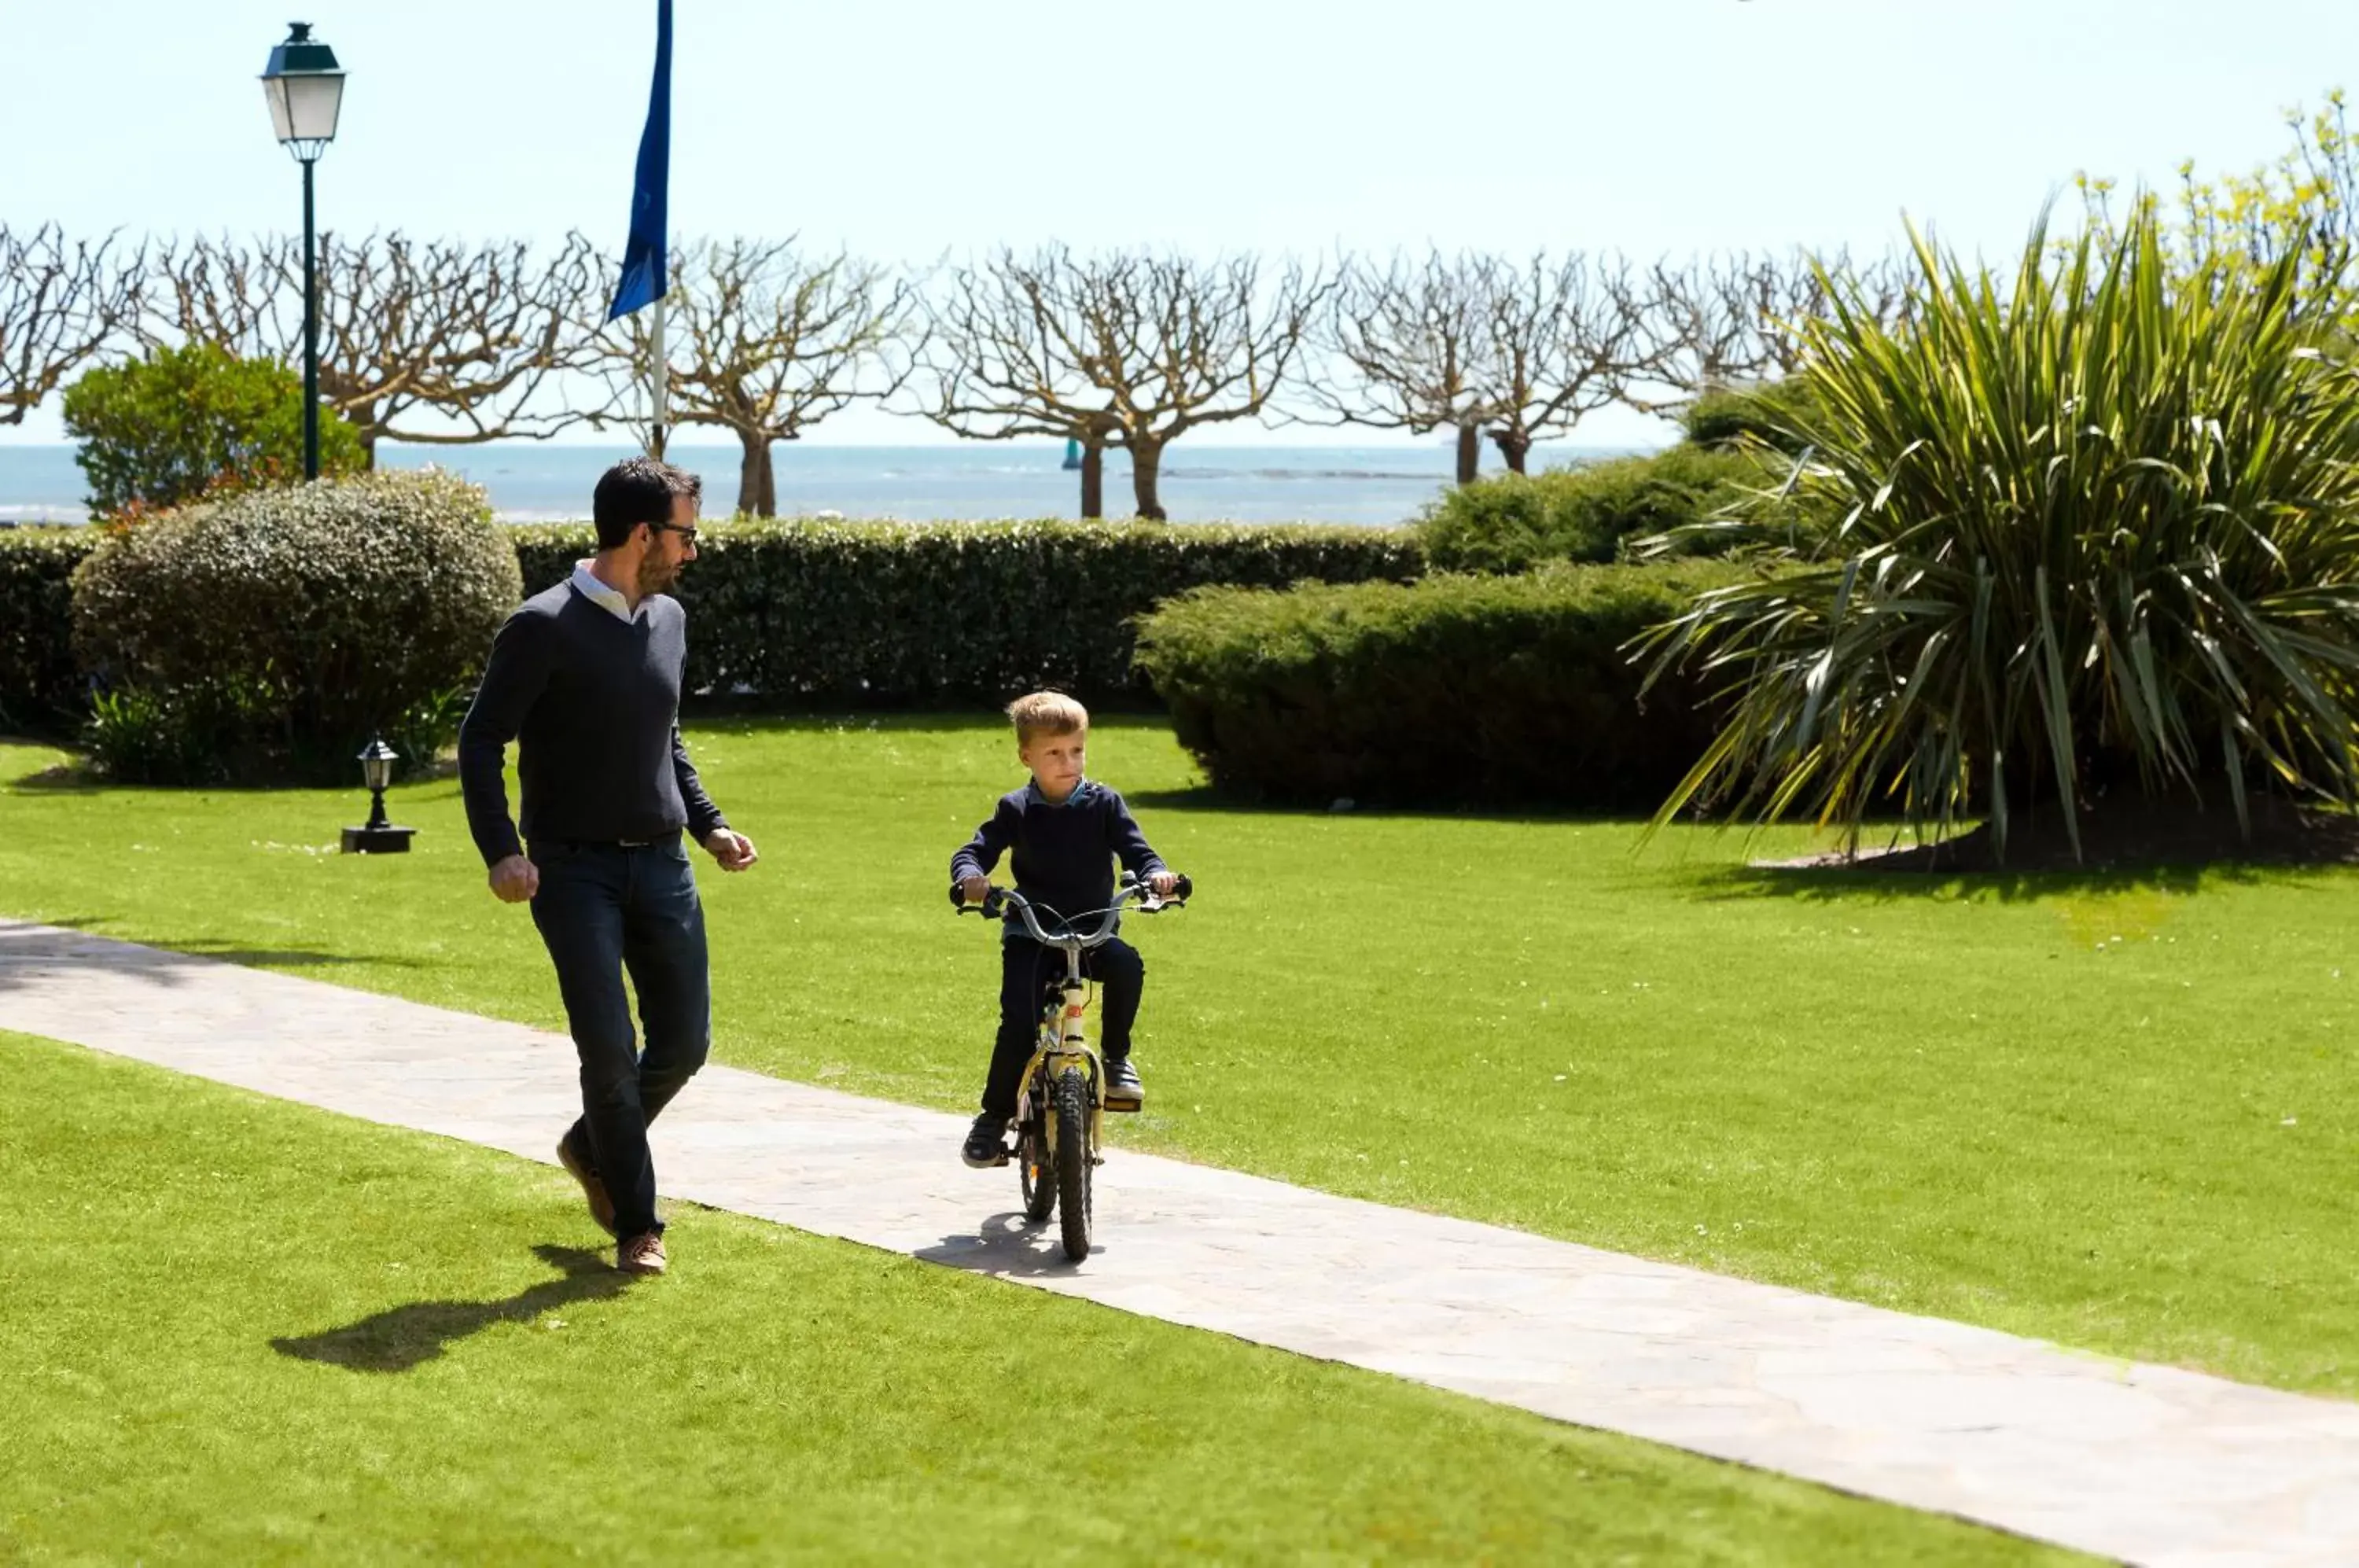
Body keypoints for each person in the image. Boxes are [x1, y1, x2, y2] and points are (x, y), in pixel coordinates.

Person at [457, 456, 758, 1277]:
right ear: (641, 533)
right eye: (685, 533)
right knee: (609, 1051)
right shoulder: (542, 625)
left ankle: (591, 1146)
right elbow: (481, 741)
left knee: (686, 1042)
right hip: (572, 870)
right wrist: (502, 852)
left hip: (663, 863)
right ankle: (638, 1223)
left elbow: (667, 737)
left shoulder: (669, 620)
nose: (691, 550)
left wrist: (712, 825)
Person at [949, 691, 1174, 1168]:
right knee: (1018, 1022)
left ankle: (1115, 1059)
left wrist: (1157, 875)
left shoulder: (1104, 804)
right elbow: (975, 851)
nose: (1068, 762)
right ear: (1026, 756)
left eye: (1076, 750)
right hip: (1033, 934)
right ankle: (993, 1117)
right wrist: (970, 878)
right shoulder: (1016, 808)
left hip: (1092, 931)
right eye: (1054, 753)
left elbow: (1140, 852)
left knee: (1127, 966)